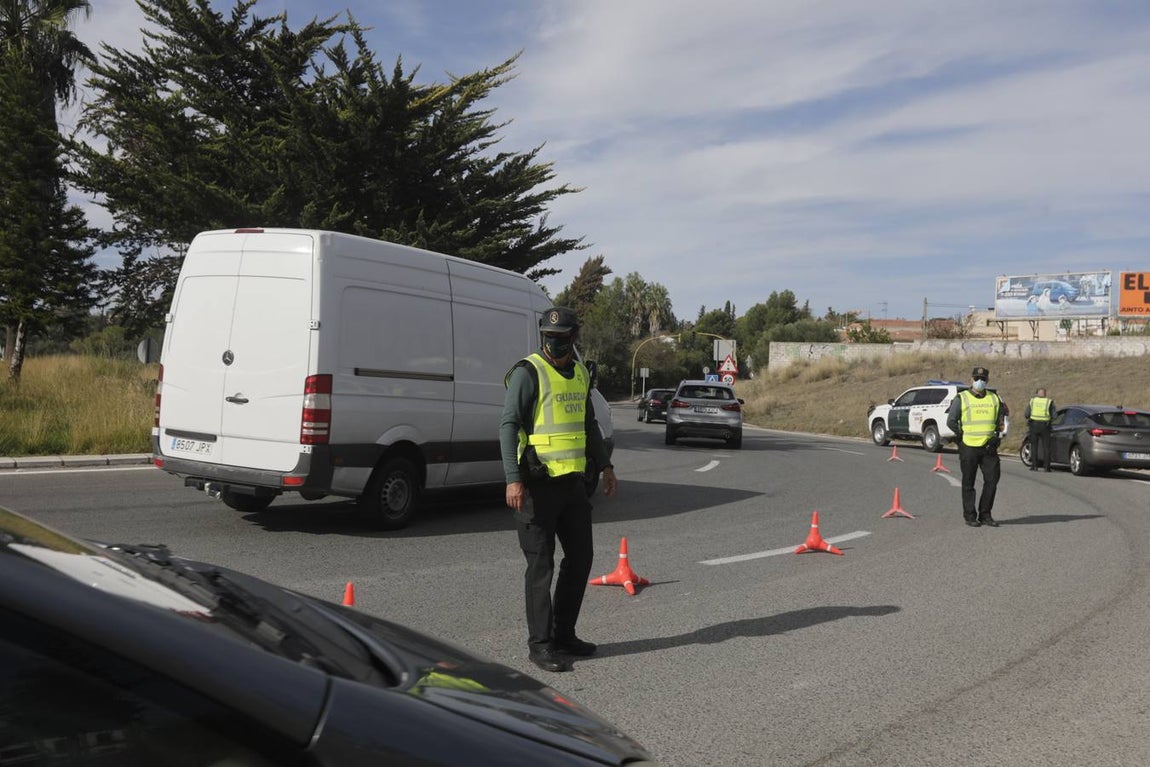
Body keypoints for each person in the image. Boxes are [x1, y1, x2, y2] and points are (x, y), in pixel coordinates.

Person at [500, 306, 618, 673]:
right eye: (549, 337)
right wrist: (512, 478)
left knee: (581, 558)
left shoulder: (580, 373)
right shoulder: (528, 372)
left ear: (574, 338)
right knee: (541, 567)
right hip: (535, 486)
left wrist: (606, 465)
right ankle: (540, 645)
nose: (554, 343)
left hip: (572, 485)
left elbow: (588, 424)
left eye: (562, 337)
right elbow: (508, 425)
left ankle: (564, 634)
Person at [946, 366, 1008, 528]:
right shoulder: (962, 398)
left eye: (983, 379)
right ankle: (970, 516)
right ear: (971, 379)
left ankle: (985, 514)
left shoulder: (994, 398)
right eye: (976, 379)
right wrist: (961, 436)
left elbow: (1000, 421)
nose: (980, 381)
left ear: (987, 380)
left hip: (988, 447)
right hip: (969, 446)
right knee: (969, 483)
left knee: (992, 481)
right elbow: (951, 421)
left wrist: (996, 436)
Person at [1024, 387, 1055, 472]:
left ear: (1037, 393)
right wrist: (1050, 420)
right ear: (1045, 394)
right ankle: (1047, 467)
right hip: (1045, 426)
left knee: (1034, 446)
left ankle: (1034, 466)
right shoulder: (1049, 402)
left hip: (1034, 425)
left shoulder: (1032, 401)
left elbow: (1026, 414)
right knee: (1046, 447)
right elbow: (1054, 415)